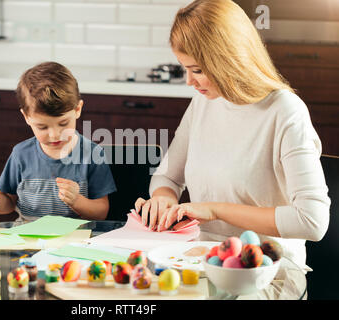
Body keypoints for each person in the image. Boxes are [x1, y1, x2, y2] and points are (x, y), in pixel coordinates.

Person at [135, 0, 330, 270]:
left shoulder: (285, 111)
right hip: (200, 258)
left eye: (198, 70)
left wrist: (214, 209)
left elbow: (313, 221)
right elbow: (167, 176)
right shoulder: (204, 103)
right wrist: (163, 199)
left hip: (266, 267)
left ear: (228, 59)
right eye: (185, 69)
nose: (189, 82)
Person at [0, 61, 117, 221]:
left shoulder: (92, 154)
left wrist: (77, 201)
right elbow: (9, 204)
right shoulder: (21, 154)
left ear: (78, 110)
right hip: (26, 238)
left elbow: (101, 212)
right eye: (42, 127)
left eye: (63, 124)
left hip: (75, 239)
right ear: (26, 117)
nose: (55, 135)